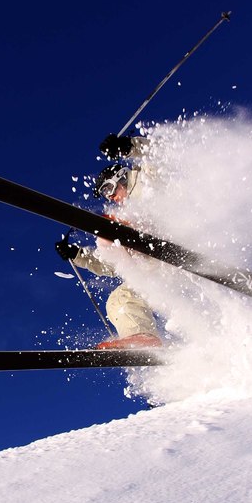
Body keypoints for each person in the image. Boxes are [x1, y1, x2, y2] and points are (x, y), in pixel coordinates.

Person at [55, 134, 163, 350]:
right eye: (105, 194)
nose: (109, 197)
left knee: (109, 229)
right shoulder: (126, 212)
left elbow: (157, 154)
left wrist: (129, 147)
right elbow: (115, 264)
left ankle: (113, 231)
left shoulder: (147, 181)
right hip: (159, 268)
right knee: (120, 299)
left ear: (120, 177)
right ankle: (143, 339)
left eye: (108, 189)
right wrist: (78, 256)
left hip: (174, 237)